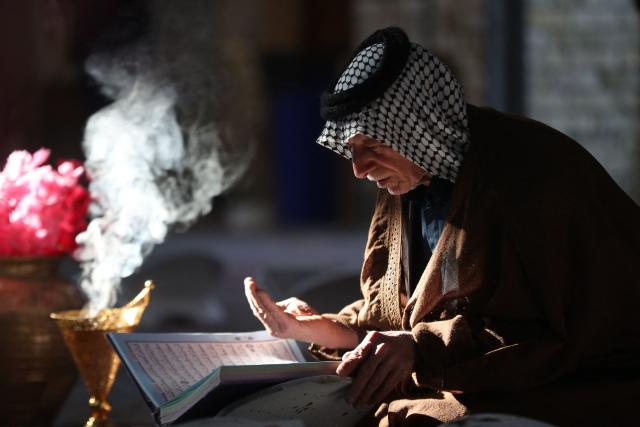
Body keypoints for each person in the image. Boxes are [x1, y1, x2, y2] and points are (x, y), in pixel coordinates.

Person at [244, 27, 640, 426]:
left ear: (422, 128)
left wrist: (421, 349)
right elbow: (399, 317)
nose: (360, 170)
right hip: (462, 375)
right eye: (352, 151)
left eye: (374, 148)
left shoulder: (526, 179)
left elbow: (546, 332)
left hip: (581, 381)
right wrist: (321, 328)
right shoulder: (408, 178)